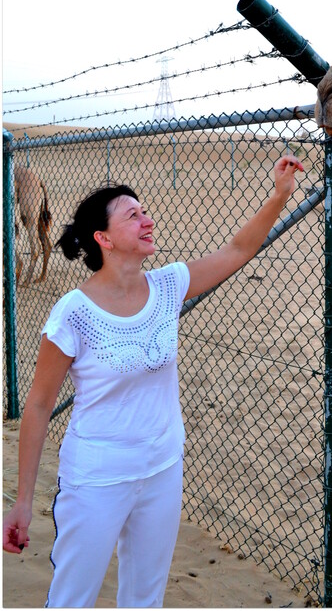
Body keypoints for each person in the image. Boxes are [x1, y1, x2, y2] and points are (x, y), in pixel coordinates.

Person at [3, 155, 304, 608]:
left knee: (145, 599)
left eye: (145, 211)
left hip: (163, 469)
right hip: (96, 479)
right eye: (133, 215)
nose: (147, 219)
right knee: (73, 599)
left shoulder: (166, 286)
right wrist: (24, 502)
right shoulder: (74, 312)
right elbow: (40, 406)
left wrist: (278, 196)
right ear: (103, 239)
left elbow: (237, 251)